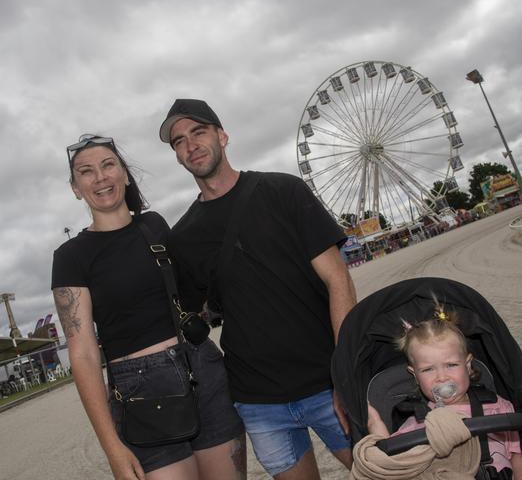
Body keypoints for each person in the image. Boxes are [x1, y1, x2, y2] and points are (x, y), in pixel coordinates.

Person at [159, 99, 356, 479]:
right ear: (178, 156)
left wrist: (347, 373)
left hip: (326, 380)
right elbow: (186, 317)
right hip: (258, 400)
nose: (191, 145)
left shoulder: (283, 191)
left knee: (381, 471)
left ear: (222, 135)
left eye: (198, 132)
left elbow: (339, 281)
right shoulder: (183, 237)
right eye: (179, 141)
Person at [51, 134, 246, 480]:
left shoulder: (154, 226)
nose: (101, 177)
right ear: (76, 188)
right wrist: (112, 446)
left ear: (125, 174)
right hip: (141, 394)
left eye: (109, 165)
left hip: (201, 368)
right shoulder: (70, 257)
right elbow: (82, 354)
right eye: (86, 172)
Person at [367, 310, 522, 478]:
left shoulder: (499, 408)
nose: (441, 377)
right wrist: (377, 428)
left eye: (451, 365)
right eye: (428, 369)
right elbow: (392, 465)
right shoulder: (416, 424)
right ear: (415, 376)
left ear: (468, 365)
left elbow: (516, 455)